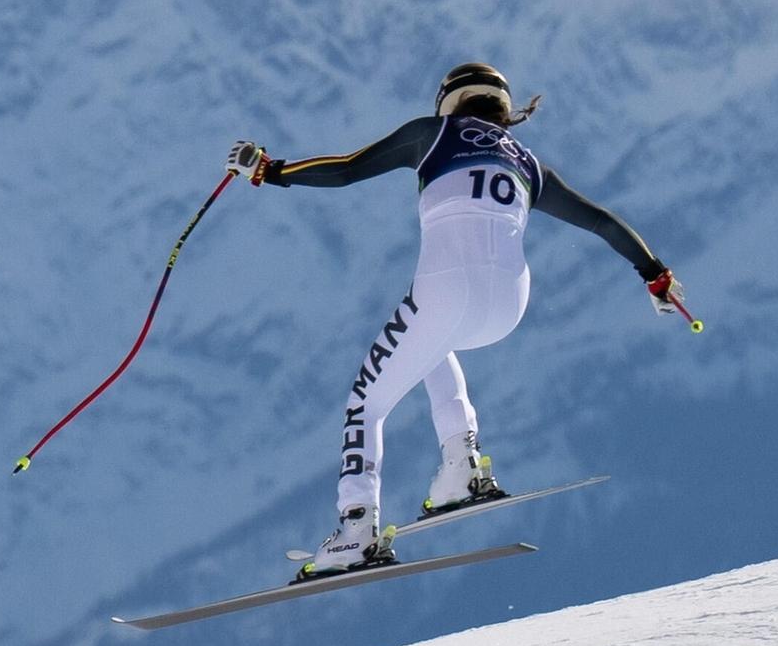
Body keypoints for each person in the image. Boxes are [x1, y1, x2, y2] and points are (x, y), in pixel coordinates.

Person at [235, 61, 685, 577]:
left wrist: (270, 170)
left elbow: (347, 168)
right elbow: (602, 220)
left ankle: (356, 529)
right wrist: (654, 275)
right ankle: (460, 471)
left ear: (448, 101)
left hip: (446, 292)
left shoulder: (434, 133)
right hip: (508, 304)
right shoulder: (529, 164)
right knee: (432, 347)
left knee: (366, 401)